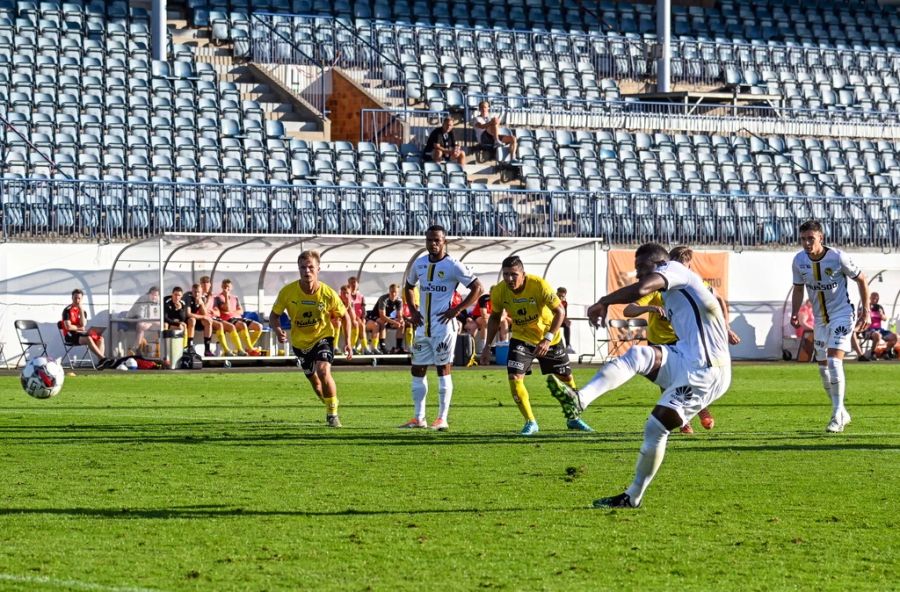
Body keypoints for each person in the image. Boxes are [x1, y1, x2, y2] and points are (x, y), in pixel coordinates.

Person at [546, 243, 732, 508]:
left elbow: (642, 289)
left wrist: (603, 302)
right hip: (686, 358)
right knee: (638, 355)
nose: (638, 274)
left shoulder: (674, 269)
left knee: (656, 428)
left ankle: (632, 497)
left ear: (658, 264)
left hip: (708, 370)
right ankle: (580, 400)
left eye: (641, 269)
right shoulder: (674, 287)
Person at [479, 256, 593, 436]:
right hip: (521, 338)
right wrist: (487, 347)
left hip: (549, 338)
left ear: (523, 274)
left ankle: (573, 418)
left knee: (566, 379)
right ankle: (530, 422)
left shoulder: (539, 285)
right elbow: (494, 317)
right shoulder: (500, 291)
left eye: (514, 275)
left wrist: (547, 339)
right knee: (515, 378)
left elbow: (560, 312)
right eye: (506, 274)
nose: (509, 279)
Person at [790, 220, 869, 433]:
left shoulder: (838, 257)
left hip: (842, 314)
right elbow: (798, 289)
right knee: (823, 368)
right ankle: (841, 410)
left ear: (821, 238)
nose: (806, 243)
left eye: (811, 239)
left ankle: (836, 416)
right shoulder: (798, 261)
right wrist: (794, 312)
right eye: (803, 239)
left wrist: (866, 311)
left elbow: (862, 279)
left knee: (834, 362)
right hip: (820, 319)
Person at [401, 225, 483, 430]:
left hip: (443, 327)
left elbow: (477, 288)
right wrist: (412, 310)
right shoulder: (419, 264)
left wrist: (457, 310)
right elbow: (409, 287)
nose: (433, 244)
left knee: (443, 369)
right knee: (417, 369)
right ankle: (419, 418)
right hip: (422, 327)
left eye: (437, 240)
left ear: (444, 241)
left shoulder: (454, 265)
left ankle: (441, 418)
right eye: (430, 240)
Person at [269, 250, 353, 428]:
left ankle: (332, 415)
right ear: (298, 269)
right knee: (316, 384)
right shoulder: (288, 292)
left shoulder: (328, 293)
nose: (307, 271)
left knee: (323, 371)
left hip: (323, 337)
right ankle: (330, 402)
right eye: (303, 268)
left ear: (318, 269)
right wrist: (278, 331)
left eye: (310, 267)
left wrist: (348, 343)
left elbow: (345, 316)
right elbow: (274, 316)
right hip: (300, 343)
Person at [664, 245, 741, 433]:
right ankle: (683, 420)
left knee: (691, 377)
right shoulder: (661, 283)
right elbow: (630, 308)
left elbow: (718, 299)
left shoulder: (693, 284)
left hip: (688, 340)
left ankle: (696, 410)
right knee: (669, 382)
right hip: (662, 339)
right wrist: (649, 309)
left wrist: (726, 327)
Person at [61, 288, 112, 368]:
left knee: (100, 338)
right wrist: (79, 328)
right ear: (72, 298)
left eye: (79, 298)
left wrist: (81, 309)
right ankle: (103, 358)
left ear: (82, 299)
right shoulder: (67, 311)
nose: (77, 300)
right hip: (70, 336)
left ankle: (101, 363)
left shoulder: (83, 311)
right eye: (75, 298)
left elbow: (83, 324)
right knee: (88, 338)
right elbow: (68, 326)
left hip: (81, 334)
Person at [212, 279, 262, 356]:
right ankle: (249, 349)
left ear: (231, 287)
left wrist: (232, 312)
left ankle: (248, 348)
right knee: (243, 325)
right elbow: (226, 308)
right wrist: (226, 296)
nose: (226, 289)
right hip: (227, 319)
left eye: (228, 287)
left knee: (259, 326)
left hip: (238, 318)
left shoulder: (235, 297)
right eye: (224, 287)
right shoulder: (218, 297)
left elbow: (241, 311)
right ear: (222, 286)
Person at [365, 284, 406, 354]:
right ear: (389, 291)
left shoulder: (399, 300)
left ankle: (399, 347)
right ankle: (382, 346)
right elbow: (382, 316)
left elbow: (399, 314)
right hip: (375, 317)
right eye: (392, 292)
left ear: (398, 292)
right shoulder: (383, 298)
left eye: (395, 292)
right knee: (382, 322)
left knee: (402, 323)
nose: (393, 294)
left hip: (388, 318)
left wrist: (400, 320)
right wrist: (393, 322)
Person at [859, 292, 897, 360]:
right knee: (877, 335)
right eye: (874, 298)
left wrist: (881, 315)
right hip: (868, 330)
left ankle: (885, 352)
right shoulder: (865, 306)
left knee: (895, 336)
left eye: (877, 298)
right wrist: (867, 312)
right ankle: (873, 354)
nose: (875, 299)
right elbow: (859, 316)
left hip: (879, 329)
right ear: (870, 298)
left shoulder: (879, 307)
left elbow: (885, 319)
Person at [126, 286, 161, 355]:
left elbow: (157, 316)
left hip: (148, 321)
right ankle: (136, 348)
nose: (154, 297)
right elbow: (140, 316)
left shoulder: (158, 301)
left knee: (162, 325)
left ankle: (160, 349)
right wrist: (151, 322)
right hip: (133, 318)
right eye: (153, 295)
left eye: (156, 295)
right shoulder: (143, 299)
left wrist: (150, 323)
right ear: (149, 294)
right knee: (141, 325)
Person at [347, 276, 368, 354]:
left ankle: (361, 347)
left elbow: (363, 309)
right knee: (359, 325)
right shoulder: (347, 294)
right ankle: (361, 347)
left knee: (362, 325)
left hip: (358, 317)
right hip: (349, 317)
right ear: (348, 284)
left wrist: (363, 317)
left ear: (358, 284)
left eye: (355, 282)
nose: (353, 284)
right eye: (351, 282)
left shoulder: (361, 296)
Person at [556, 287, 576, 354]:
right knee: (555, 325)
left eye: (562, 296)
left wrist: (566, 320)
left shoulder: (564, 303)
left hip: (559, 319)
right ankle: (555, 345)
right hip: (551, 319)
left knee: (567, 325)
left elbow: (564, 314)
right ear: (556, 293)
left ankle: (568, 345)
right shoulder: (552, 300)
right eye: (559, 296)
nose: (560, 298)